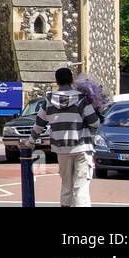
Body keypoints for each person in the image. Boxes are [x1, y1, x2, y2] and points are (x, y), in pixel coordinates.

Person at [29, 66, 101, 207]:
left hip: (61, 149)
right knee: (81, 187)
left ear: (57, 81)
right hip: (81, 147)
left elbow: (39, 125)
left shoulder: (48, 101)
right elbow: (95, 123)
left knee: (66, 185)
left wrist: (31, 140)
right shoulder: (81, 99)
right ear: (71, 80)